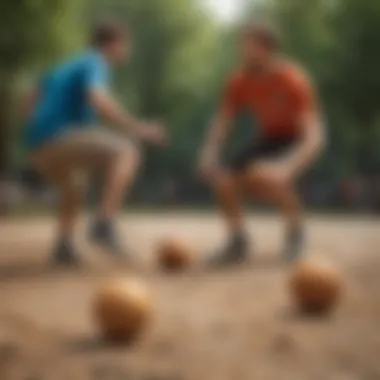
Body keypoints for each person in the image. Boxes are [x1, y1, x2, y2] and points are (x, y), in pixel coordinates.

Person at [24, 20, 167, 266]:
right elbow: (97, 99)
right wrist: (138, 128)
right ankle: (104, 224)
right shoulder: (95, 61)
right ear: (113, 44)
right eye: (126, 45)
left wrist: (37, 124)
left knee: (75, 185)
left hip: (38, 146)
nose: (127, 51)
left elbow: (30, 99)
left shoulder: (67, 65)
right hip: (59, 136)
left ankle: (64, 246)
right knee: (126, 150)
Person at [198, 22, 325, 266]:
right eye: (241, 46)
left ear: (266, 49)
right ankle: (238, 242)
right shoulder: (239, 80)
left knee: (266, 176)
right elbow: (223, 120)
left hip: (295, 140)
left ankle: (295, 234)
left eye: (247, 47)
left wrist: (287, 167)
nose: (241, 52)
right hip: (269, 138)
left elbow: (315, 136)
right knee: (224, 181)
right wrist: (209, 151)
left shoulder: (293, 80)